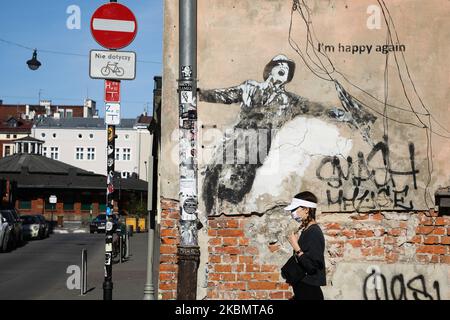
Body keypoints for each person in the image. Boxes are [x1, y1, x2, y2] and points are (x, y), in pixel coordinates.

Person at [199, 54, 377, 215]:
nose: (285, 67)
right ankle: (207, 215)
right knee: (212, 175)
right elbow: (223, 95)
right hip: (236, 138)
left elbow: (318, 109)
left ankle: (224, 219)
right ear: (270, 69)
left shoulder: (290, 102)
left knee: (237, 188)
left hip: (259, 145)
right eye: (280, 64)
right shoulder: (249, 87)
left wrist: (347, 116)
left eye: (288, 68)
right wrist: (197, 94)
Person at [284, 191, 326, 300]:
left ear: (306, 209)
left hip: (309, 291)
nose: (292, 213)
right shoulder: (306, 230)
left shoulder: (314, 232)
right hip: (303, 290)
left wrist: (296, 246)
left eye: (295, 209)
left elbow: (312, 267)